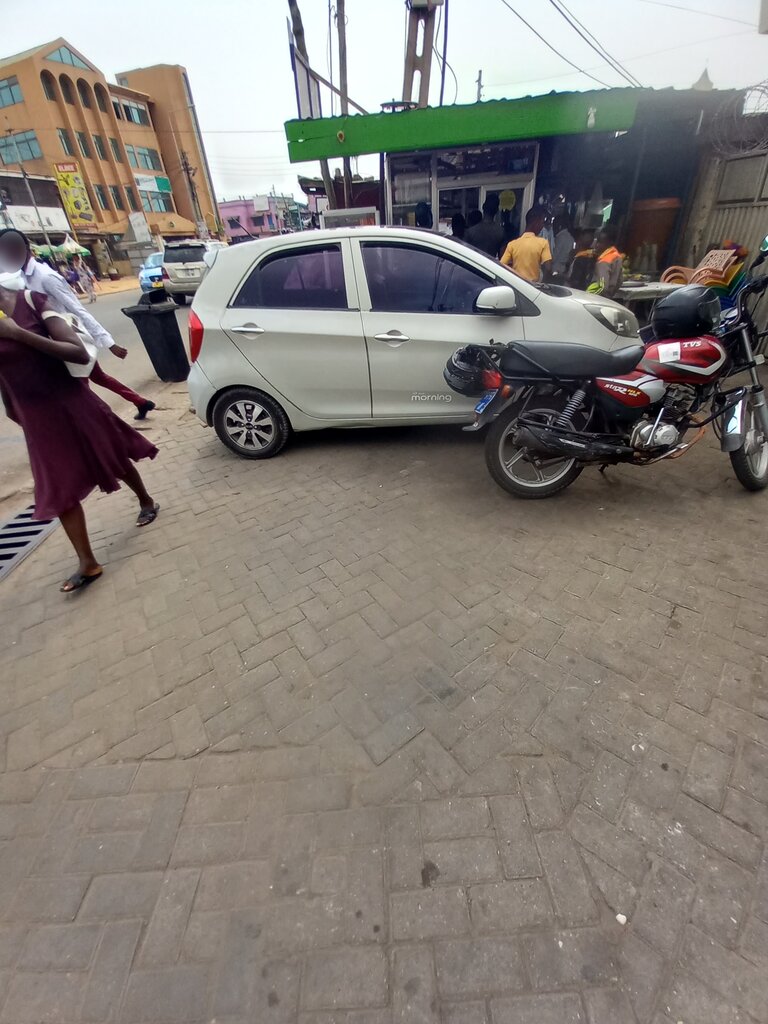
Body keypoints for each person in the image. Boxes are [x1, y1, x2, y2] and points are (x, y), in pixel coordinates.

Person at [0, 275, 159, 593]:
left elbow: (78, 353)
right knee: (57, 483)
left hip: (71, 401)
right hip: (36, 416)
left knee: (109, 453)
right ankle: (88, 562)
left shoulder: (32, 302)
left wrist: (18, 334)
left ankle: (146, 500)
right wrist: (10, 406)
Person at [0, 230, 155, 420]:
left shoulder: (45, 277)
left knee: (80, 393)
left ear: (25, 248)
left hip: (69, 342)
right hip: (51, 345)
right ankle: (140, 402)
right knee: (98, 378)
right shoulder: (18, 279)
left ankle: (109, 425)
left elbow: (77, 308)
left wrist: (108, 342)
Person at [500, 209, 553, 282]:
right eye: (542, 222)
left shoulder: (512, 244)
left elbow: (502, 266)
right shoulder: (543, 243)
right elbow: (548, 268)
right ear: (536, 222)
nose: (542, 226)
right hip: (533, 286)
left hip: (516, 284)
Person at [590, 226, 624, 299]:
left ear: (610, 242)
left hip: (597, 298)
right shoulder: (617, 256)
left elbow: (602, 287)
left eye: (600, 242)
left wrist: (588, 295)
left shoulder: (603, 261)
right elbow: (620, 280)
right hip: (609, 297)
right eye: (597, 241)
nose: (597, 245)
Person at [551, 215, 576, 279]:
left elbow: (555, 254)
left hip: (555, 268)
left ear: (560, 225)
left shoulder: (560, 237)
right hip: (564, 268)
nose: (553, 226)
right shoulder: (571, 238)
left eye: (554, 224)